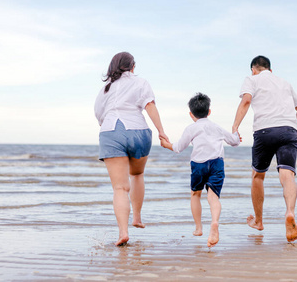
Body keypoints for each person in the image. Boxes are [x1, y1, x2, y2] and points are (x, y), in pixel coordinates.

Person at [94, 52, 168, 246]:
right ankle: (137, 217)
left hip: (111, 131)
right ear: (132, 67)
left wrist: (111, 127)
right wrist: (161, 132)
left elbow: (99, 115)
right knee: (137, 175)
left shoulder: (105, 89)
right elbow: (149, 106)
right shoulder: (141, 82)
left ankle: (123, 233)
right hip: (138, 131)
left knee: (120, 188)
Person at [232, 55, 297, 242]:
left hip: (264, 130)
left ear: (253, 70)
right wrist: (293, 130)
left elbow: (246, 101)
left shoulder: (252, 79)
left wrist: (235, 127)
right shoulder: (285, 83)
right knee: (287, 175)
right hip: (289, 130)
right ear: (270, 70)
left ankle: (258, 221)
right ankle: (289, 211)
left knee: (258, 176)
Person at [160, 93, 240, 248]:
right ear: (209, 111)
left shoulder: (191, 128)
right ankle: (214, 222)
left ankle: (198, 228)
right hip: (217, 163)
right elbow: (234, 141)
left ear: (191, 114)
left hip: (198, 164)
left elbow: (178, 148)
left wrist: (166, 144)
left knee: (195, 194)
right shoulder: (216, 127)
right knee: (213, 197)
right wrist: (236, 134)